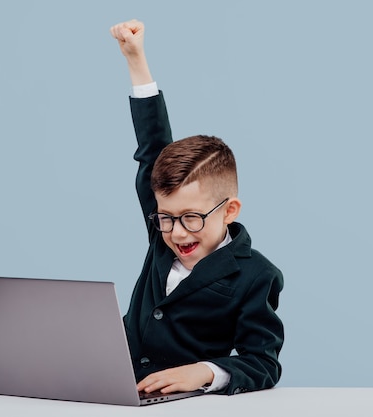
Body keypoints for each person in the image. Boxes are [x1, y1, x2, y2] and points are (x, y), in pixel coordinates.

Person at [110, 19, 284, 396]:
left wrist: (204, 373)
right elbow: (152, 150)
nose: (177, 232)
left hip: (185, 404)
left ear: (230, 210)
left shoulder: (257, 275)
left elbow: (263, 362)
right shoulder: (162, 234)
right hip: (116, 390)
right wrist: (136, 61)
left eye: (191, 218)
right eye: (167, 218)